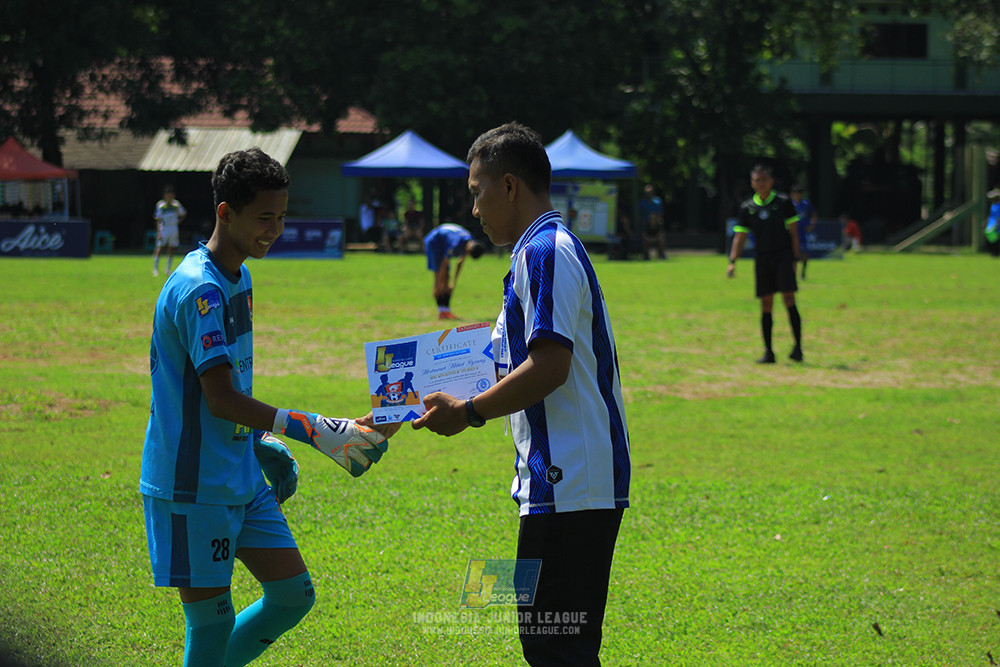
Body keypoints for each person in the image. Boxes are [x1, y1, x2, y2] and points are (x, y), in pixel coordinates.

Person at [140, 147, 398, 667]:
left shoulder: (239, 275)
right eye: (264, 218)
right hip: (193, 485)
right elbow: (220, 398)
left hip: (240, 474)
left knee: (291, 595)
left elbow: (229, 388)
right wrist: (316, 429)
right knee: (211, 624)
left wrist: (258, 440)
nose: (275, 230)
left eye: (281, 217)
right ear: (225, 212)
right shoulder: (199, 289)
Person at [413, 122, 631, 667]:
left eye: (477, 192)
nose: (474, 209)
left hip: (571, 478)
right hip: (561, 479)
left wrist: (469, 413)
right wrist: (402, 401)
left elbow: (549, 366)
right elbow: (497, 362)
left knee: (555, 645)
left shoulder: (545, 251)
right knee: (554, 642)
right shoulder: (535, 252)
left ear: (509, 186)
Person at [727, 164, 804, 363]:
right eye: (757, 180)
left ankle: (798, 348)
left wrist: (795, 258)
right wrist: (732, 261)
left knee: (789, 299)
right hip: (763, 259)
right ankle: (769, 352)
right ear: (752, 183)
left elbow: (794, 233)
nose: (761, 183)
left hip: (783, 256)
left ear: (771, 181)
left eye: (764, 179)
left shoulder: (783, 202)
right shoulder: (747, 208)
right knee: (766, 303)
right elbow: (740, 237)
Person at [423, 222, 485, 320]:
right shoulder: (455, 244)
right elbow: (444, 265)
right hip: (434, 242)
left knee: (446, 280)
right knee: (440, 278)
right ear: (468, 249)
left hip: (443, 244)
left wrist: (453, 283)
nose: (466, 255)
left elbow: (460, 263)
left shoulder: (471, 241)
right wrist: (438, 283)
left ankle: (445, 311)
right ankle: (441, 311)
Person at [153, 185, 187, 276]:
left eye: (171, 195)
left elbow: (183, 213)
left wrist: (178, 222)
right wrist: (159, 232)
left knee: (171, 248)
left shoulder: (176, 205)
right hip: (164, 228)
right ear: (164, 196)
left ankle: (167, 269)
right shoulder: (161, 205)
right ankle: (155, 269)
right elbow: (158, 219)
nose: (169, 197)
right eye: (167, 195)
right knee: (160, 247)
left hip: (173, 228)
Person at [789, 184, 817, 279]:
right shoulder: (790, 204)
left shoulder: (806, 204)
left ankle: (803, 272)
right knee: (793, 252)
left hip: (802, 232)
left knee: (804, 252)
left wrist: (811, 225)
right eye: (796, 193)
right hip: (793, 231)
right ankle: (793, 272)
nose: (797, 195)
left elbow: (814, 215)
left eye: (799, 193)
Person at [638, 183, 667, 260]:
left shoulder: (658, 201)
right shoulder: (642, 203)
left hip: (656, 224)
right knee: (644, 240)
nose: (649, 194)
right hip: (646, 224)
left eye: (650, 192)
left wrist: (657, 221)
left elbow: (660, 214)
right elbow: (640, 215)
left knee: (662, 239)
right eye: (647, 192)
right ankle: (646, 256)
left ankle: (661, 255)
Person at [984, 188, 1000, 257]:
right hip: (991, 224)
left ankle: (996, 252)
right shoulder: (993, 206)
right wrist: (986, 222)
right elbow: (991, 215)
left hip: (996, 224)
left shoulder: (998, 206)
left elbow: (998, 216)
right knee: (991, 238)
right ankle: (993, 252)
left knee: (996, 238)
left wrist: (997, 224)